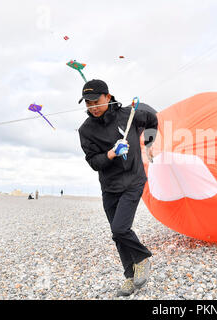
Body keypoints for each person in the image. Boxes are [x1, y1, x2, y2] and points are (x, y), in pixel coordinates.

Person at [77, 79, 158, 296]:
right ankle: (130, 277)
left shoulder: (129, 115)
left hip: (133, 180)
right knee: (117, 235)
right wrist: (111, 154)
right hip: (109, 186)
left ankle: (142, 258)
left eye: (96, 101)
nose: (92, 107)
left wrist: (149, 144)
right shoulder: (86, 130)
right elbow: (94, 162)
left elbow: (152, 120)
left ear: (108, 97)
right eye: (87, 103)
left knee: (120, 228)